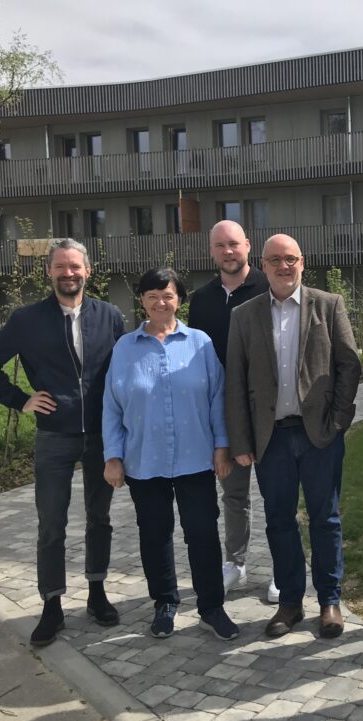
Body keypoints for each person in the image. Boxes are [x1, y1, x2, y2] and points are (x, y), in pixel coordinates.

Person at [0, 238, 124, 647]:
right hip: (54, 436)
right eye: (60, 267)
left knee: (100, 518)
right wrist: (21, 400)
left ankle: (97, 593)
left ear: (87, 271)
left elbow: (125, 373)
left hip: (99, 436)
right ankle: (52, 604)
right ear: (49, 272)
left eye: (75, 266)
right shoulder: (27, 320)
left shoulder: (110, 317)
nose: (68, 273)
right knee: (51, 523)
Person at [225, 234, 360, 639]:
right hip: (271, 440)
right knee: (279, 520)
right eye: (275, 260)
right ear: (262, 266)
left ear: (303, 262)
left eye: (291, 259)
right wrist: (242, 442)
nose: (284, 267)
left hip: (319, 434)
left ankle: (329, 601)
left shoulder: (329, 304)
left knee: (326, 518)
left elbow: (349, 366)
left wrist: (338, 420)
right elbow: (235, 382)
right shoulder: (244, 315)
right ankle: (289, 602)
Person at [102, 268, 239, 641]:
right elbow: (111, 406)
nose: (161, 302)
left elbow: (217, 399)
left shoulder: (200, 343)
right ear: (142, 301)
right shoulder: (125, 348)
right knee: (155, 534)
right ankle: (165, 603)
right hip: (144, 460)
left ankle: (211, 606)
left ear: (179, 299)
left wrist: (222, 447)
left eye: (168, 295)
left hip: (196, 458)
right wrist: (113, 456)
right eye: (152, 296)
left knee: (203, 532)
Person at [188, 219, 277, 602]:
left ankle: (281, 567)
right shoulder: (202, 299)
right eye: (220, 246)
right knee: (234, 495)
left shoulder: (269, 286)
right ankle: (235, 563)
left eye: (234, 245)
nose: (228, 252)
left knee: (278, 494)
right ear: (211, 252)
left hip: (270, 411)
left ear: (247, 246)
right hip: (226, 414)